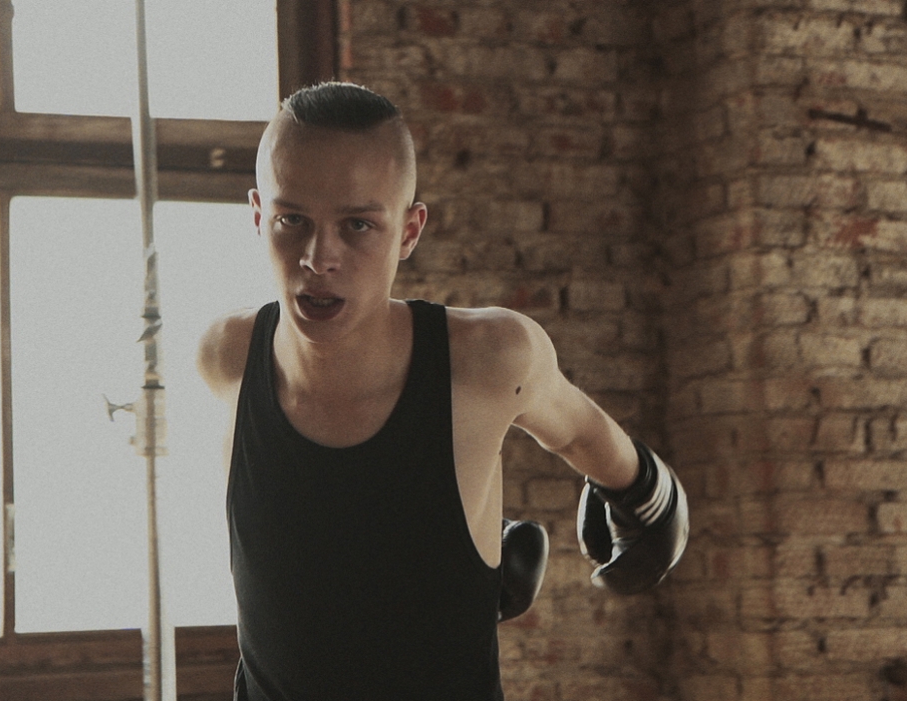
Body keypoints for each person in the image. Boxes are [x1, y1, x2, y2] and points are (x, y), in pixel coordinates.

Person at [197, 82, 688, 701]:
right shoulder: (227, 357)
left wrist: (649, 500)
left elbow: (582, 433)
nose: (319, 258)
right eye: (291, 220)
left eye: (358, 225)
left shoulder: (486, 360)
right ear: (257, 217)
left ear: (409, 231)